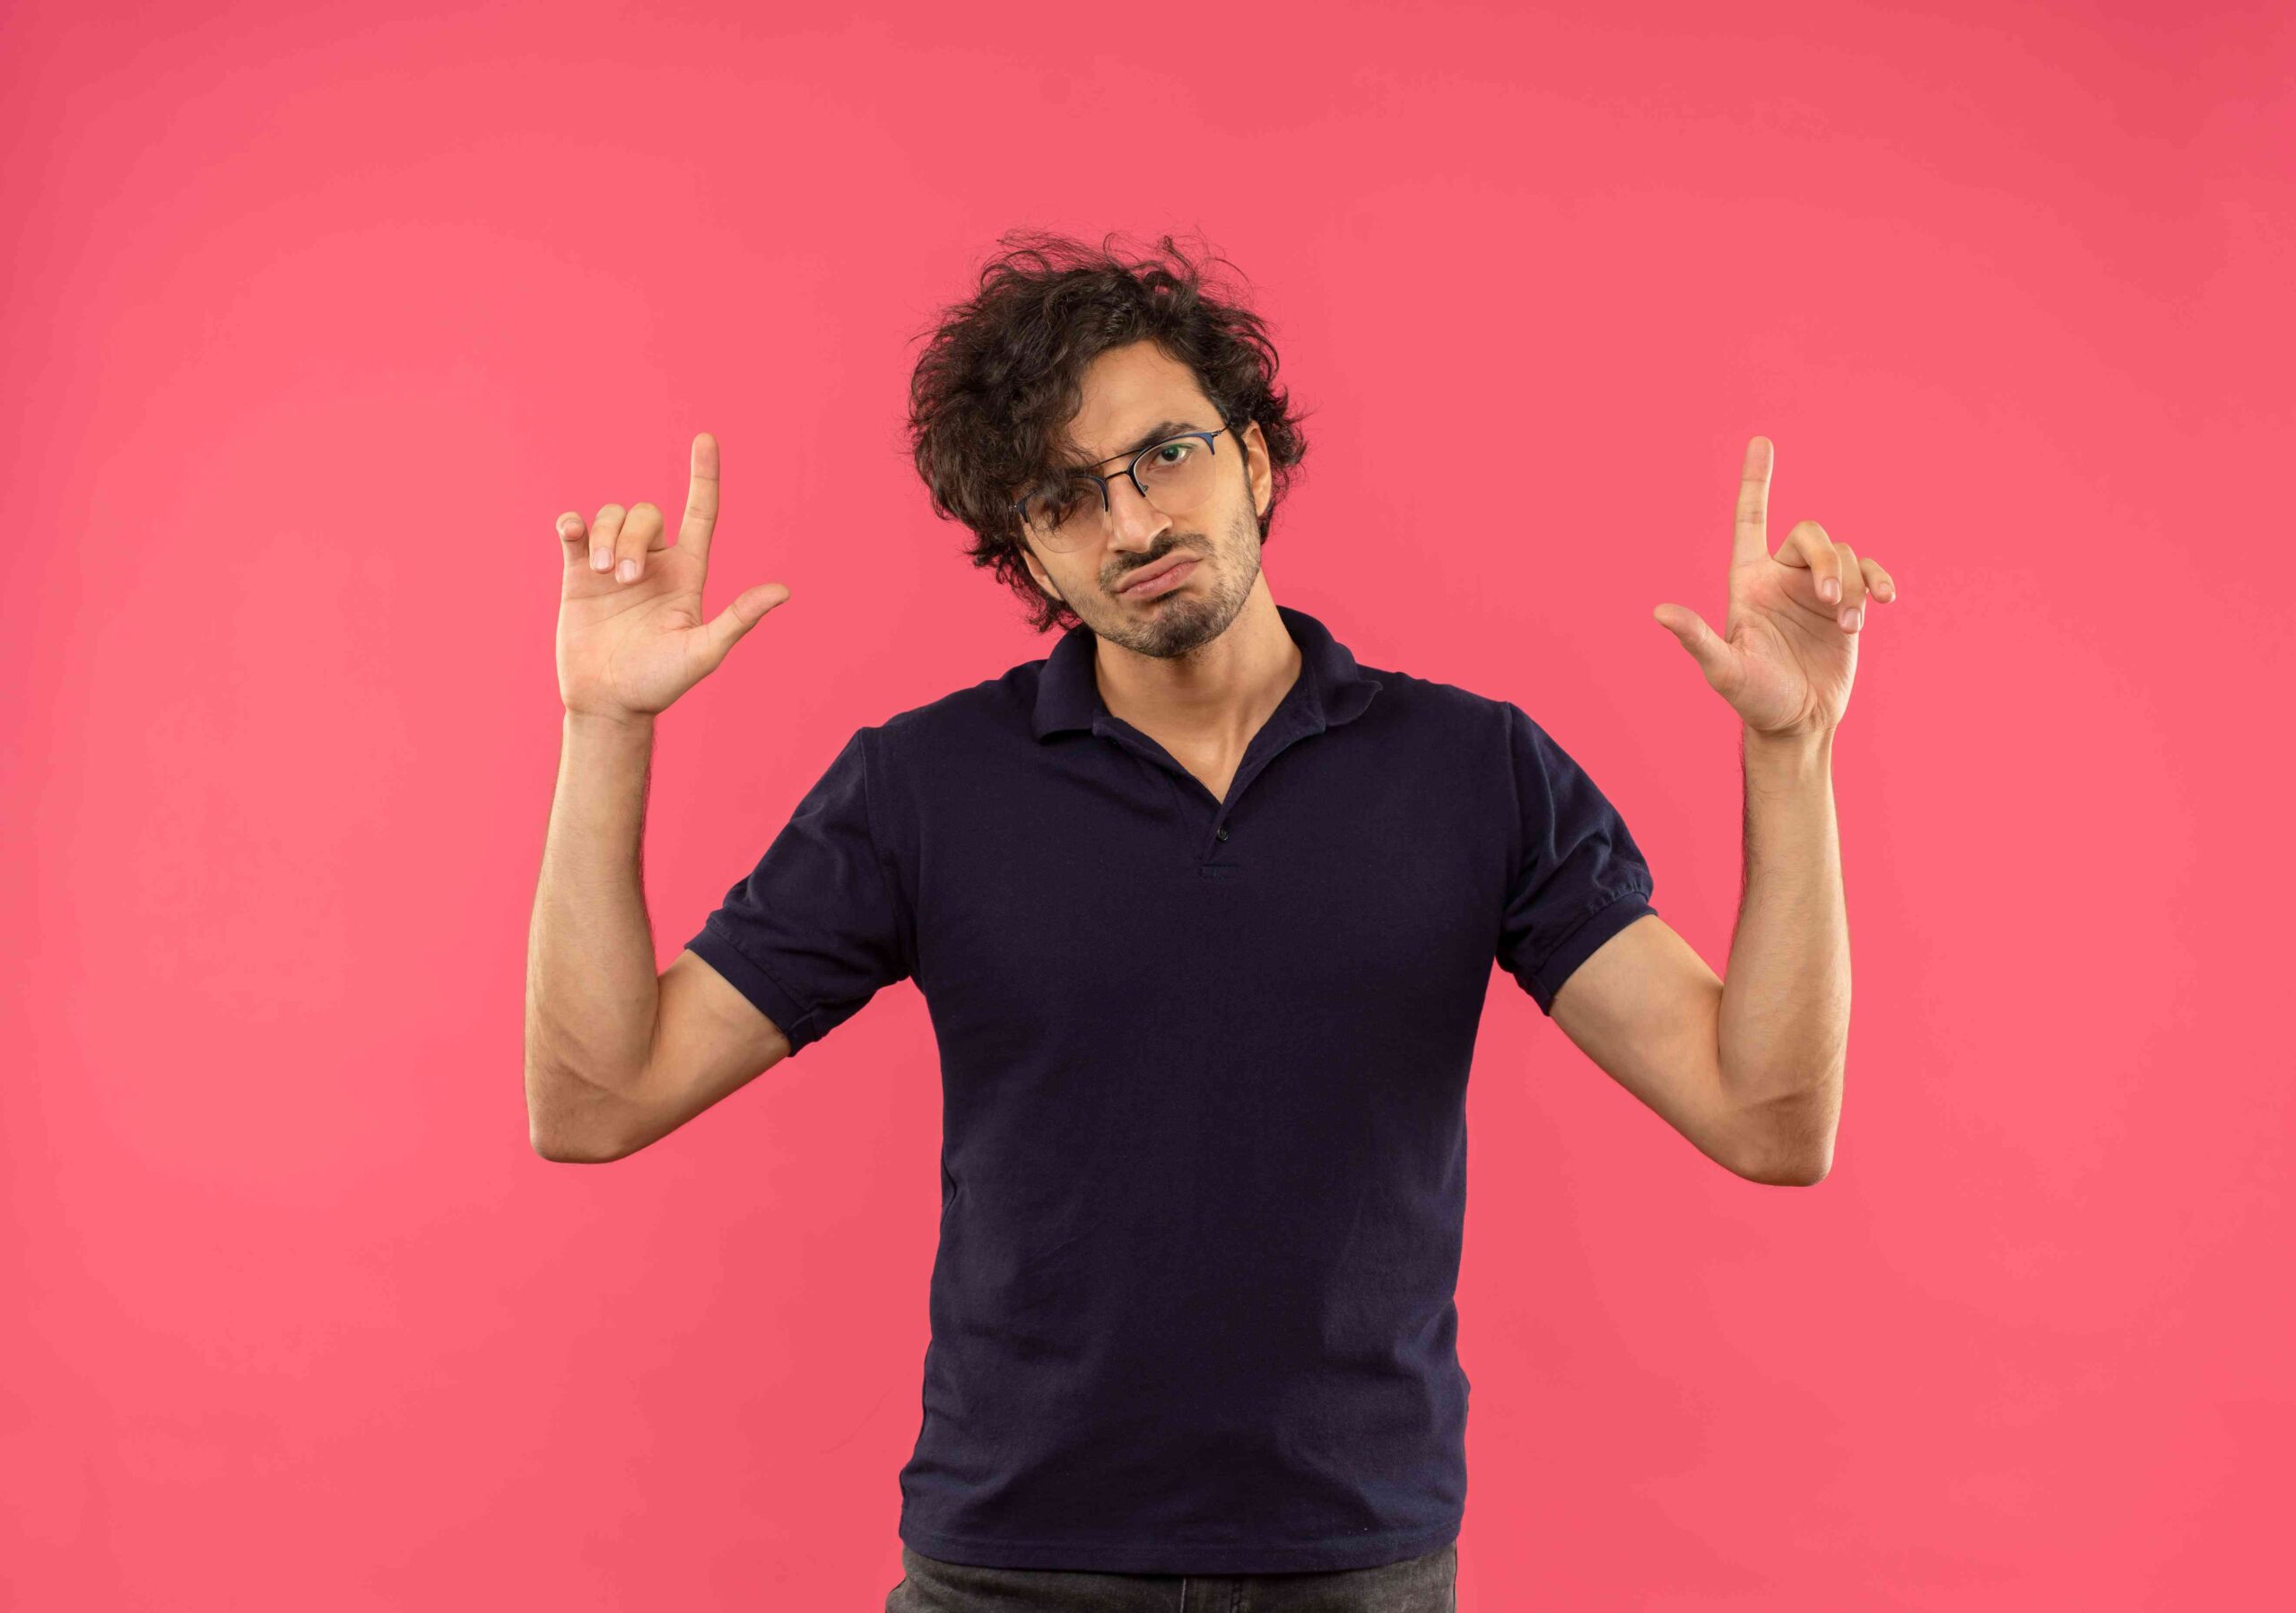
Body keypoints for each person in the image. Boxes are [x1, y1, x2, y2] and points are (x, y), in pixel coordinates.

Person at [525, 231, 1893, 1609]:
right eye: (1063, 500)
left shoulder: (1474, 771)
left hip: (1355, 1563)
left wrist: (1795, 752)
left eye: (1163, 455)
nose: (1129, 526)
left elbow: (1765, 1115)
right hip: (1009, 1569)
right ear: (1026, 555)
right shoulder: (923, 786)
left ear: (1255, 455)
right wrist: (602, 726)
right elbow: (597, 1097)